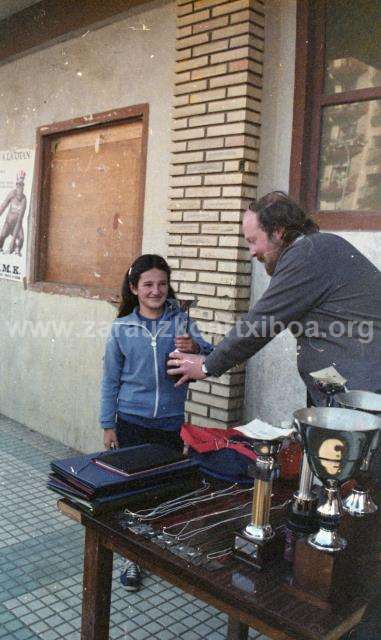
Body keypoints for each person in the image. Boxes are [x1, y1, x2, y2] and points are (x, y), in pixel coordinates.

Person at [167, 191, 381, 406]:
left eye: (253, 241)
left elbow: (263, 320)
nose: (251, 252)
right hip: (346, 389)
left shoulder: (306, 254)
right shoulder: (314, 248)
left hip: (363, 395)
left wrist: (207, 366)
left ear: (278, 231)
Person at [100, 253, 212, 591]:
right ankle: (134, 559)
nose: (155, 290)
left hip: (168, 422)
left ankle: (159, 551)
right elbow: (110, 380)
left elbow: (210, 355)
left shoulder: (182, 323)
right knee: (134, 491)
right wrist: (108, 424)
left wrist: (194, 346)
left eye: (162, 284)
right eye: (147, 284)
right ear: (134, 288)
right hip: (131, 421)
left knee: (164, 490)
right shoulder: (121, 328)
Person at [0, 170, 27, 256]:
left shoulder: (24, 200)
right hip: (8, 223)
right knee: (2, 237)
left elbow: (19, 220)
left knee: (22, 238)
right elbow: (3, 206)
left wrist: (12, 241)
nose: (20, 187)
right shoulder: (12, 194)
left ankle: (16, 248)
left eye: (22, 185)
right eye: (18, 185)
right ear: (16, 185)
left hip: (16, 225)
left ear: (23, 187)